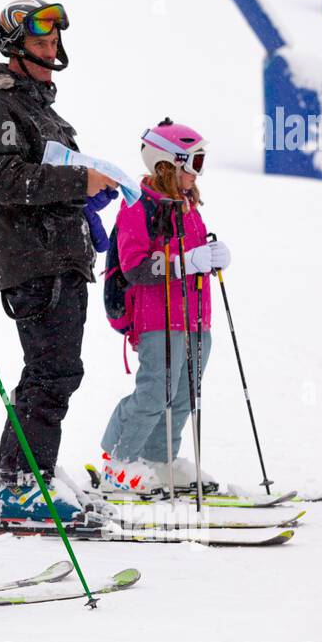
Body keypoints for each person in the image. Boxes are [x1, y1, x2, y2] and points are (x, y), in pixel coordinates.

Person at [0, 0, 118, 527]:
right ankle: (22, 485)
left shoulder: (42, 109)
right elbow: (3, 179)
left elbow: (40, 177)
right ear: (13, 46)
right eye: (40, 43)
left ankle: (32, 476)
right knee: (51, 372)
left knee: (56, 372)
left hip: (61, 258)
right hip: (35, 263)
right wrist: (79, 181)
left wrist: (85, 200)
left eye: (54, 43)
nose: (51, 51)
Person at [98, 119, 230, 496]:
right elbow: (136, 266)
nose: (196, 173)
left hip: (196, 317)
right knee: (155, 393)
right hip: (158, 318)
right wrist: (187, 261)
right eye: (194, 162)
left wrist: (212, 257)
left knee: (186, 393)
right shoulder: (138, 209)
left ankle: (160, 460)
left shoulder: (189, 207)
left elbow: (193, 256)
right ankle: (120, 462)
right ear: (167, 164)